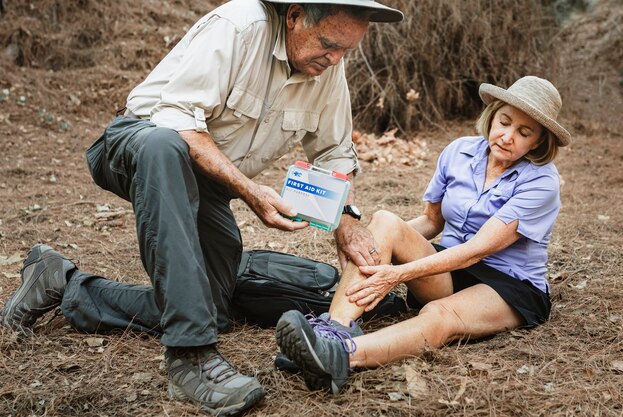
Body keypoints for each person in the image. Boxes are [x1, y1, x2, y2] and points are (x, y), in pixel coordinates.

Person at [0, 0, 403, 415]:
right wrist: (248, 190)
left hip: (205, 178)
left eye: (346, 51)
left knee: (208, 307)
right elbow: (175, 121)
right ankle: (189, 359)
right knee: (163, 145)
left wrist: (347, 222)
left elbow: (335, 153)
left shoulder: (327, 69)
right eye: (328, 44)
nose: (335, 59)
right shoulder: (238, 27)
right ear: (295, 15)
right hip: (139, 143)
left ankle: (63, 283)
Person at [275, 75, 571, 394]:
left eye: (523, 133)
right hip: (450, 267)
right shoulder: (459, 152)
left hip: (508, 284)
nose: (507, 136)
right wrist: (378, 241)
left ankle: (340, 358)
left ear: (538, 142)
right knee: (385, 221)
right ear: (493, 114)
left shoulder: (542, 183)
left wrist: (398, 274)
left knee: (439, 314)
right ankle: (333, 333)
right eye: (504, 122)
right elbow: (432, 222)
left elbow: (477, 250)